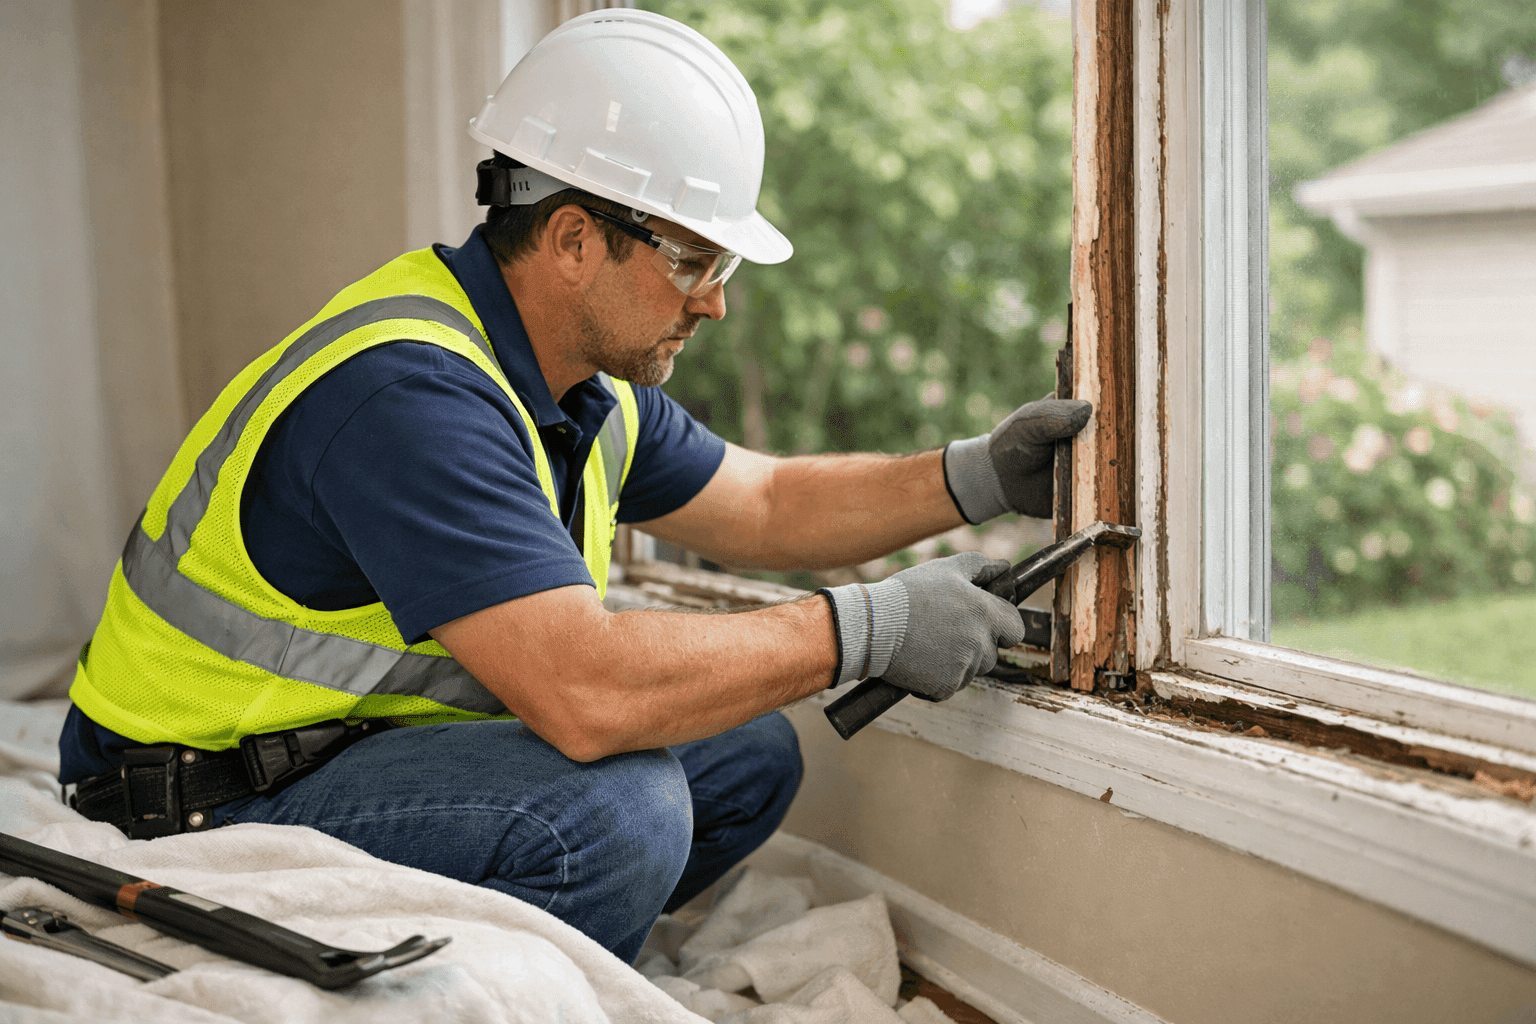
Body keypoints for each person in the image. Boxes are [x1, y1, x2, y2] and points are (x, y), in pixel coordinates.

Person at [58, 10, 1090, 962]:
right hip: (189, 800)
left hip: (340, 753)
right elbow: (585, 692)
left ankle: (514, 959)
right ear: (572, 239)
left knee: (747, 755)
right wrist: (864, 627)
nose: (716, 304)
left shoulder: (579, 382)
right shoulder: (408, 396)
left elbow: (765, 503)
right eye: (693, 260)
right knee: (619, 811)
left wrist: (981, 473)